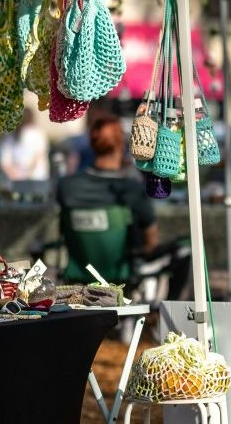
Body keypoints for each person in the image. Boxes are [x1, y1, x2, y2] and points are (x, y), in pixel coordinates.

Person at [56, 116, 190, 298]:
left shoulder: (67, 187)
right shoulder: (130, 190)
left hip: (79, 276)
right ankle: (160, 316)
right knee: (185, 250)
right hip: (122, 276)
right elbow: (151, 243)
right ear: (121, 145)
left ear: (92, 144)